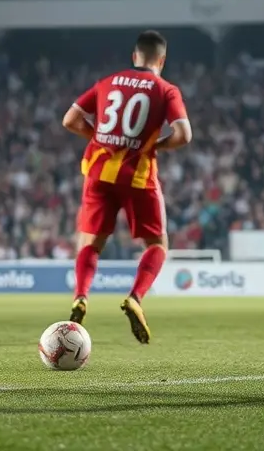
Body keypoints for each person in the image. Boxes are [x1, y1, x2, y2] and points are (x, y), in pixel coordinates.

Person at [61, 30, 192, 343]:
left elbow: (70, 120)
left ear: (135, 57)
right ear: (161, 60)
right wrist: (153, 145)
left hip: (98, 172)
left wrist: (100, 138)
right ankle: (135, 297)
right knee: (157, 245)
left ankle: (80, 295)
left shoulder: (108, 82)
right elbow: (184, 134)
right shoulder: (166, 89)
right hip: (138, 175)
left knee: (90, 243)